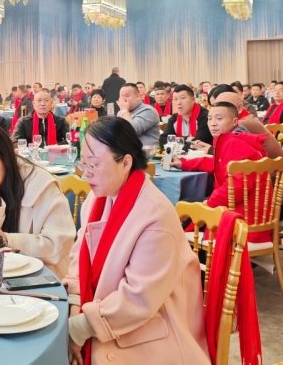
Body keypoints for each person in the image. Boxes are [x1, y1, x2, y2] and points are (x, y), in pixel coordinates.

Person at [64, 117, 208, 365]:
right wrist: (76, 302)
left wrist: (81, 327)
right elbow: (80, 253)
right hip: (108, 310)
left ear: (125, 162)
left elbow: (139, 297)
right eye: (83, 163)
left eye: (94, 164)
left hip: (151, 329)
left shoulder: (155, 215)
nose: (86, 173)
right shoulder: (98, 197)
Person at [0, 125, 75, 277]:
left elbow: (58, 246)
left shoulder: (40, 185)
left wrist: (8, 240)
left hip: (41, 277)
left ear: (5, 159)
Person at [173, 103, 270, 243]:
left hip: (241, 220)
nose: (213, 123)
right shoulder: (232, 139)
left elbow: (237, 187)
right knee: (190, 202)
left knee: (184, 207)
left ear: (235, 121)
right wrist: (184, 163)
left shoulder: (235, 143)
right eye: (210, 118)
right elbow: (218, 163)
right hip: (250, 212)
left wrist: (209, 203)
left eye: (219, 119)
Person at [196, 87, 283, 159]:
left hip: (271, 171)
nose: (218, 110)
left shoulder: (242, 123)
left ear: (239, 107)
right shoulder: (241, 118)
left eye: (225, 106)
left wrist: (211, 150)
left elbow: (233, 156)